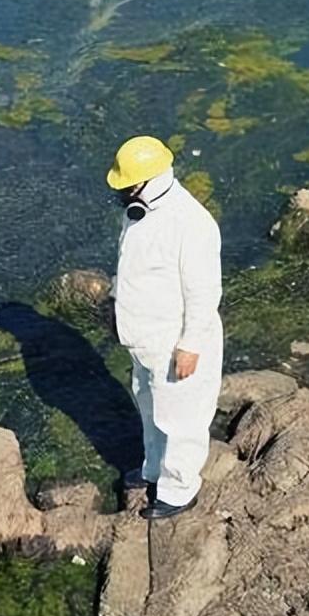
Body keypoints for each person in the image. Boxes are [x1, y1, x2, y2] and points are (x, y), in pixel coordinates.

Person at [106, 135, 223, 520]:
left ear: (145, 182)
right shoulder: (139, 211)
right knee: (150, 407)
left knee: (180, 418)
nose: (119, 191)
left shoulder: (191, 224)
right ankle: (152, 468)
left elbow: (204, 292)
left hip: (174, 341)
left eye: (124, 185)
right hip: (144, 339)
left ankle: (178, 489)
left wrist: (190, 345)